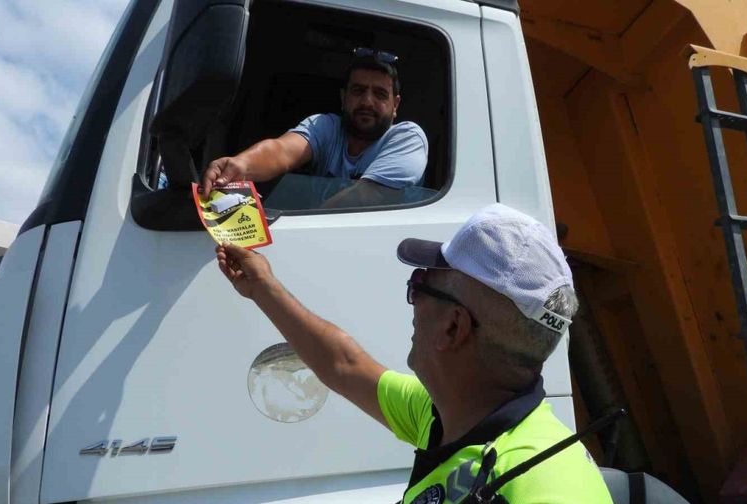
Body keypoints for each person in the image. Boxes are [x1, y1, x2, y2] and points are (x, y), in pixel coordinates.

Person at [215, 204, 613, 503]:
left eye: (420, 283)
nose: (412, 301)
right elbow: (344, 365)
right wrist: (262, 287)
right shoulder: (449, 414)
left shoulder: (543, 487)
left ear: (453, 327)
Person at [201, 48, 428, 208]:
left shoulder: (407, 137)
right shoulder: (327, 126)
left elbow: (366, 196)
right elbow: (281, 150)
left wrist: (299, 224)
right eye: (358, 91)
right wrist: (240, 165)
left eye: (379, 94)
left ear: (395, 105)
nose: (367, 102)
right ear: (343, 97)